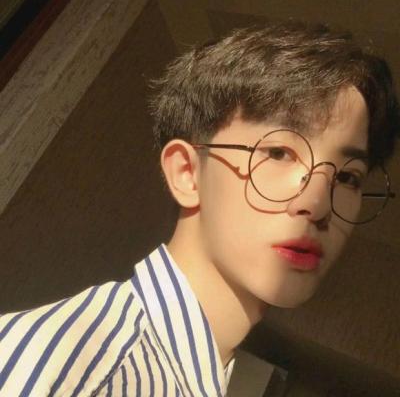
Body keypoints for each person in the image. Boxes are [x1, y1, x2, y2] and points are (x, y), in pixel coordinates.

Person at [0, 21, 398, 397]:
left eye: (348, 177)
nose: (318, 203)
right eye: (279, 152)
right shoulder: (81, 367)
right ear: (187, 173)